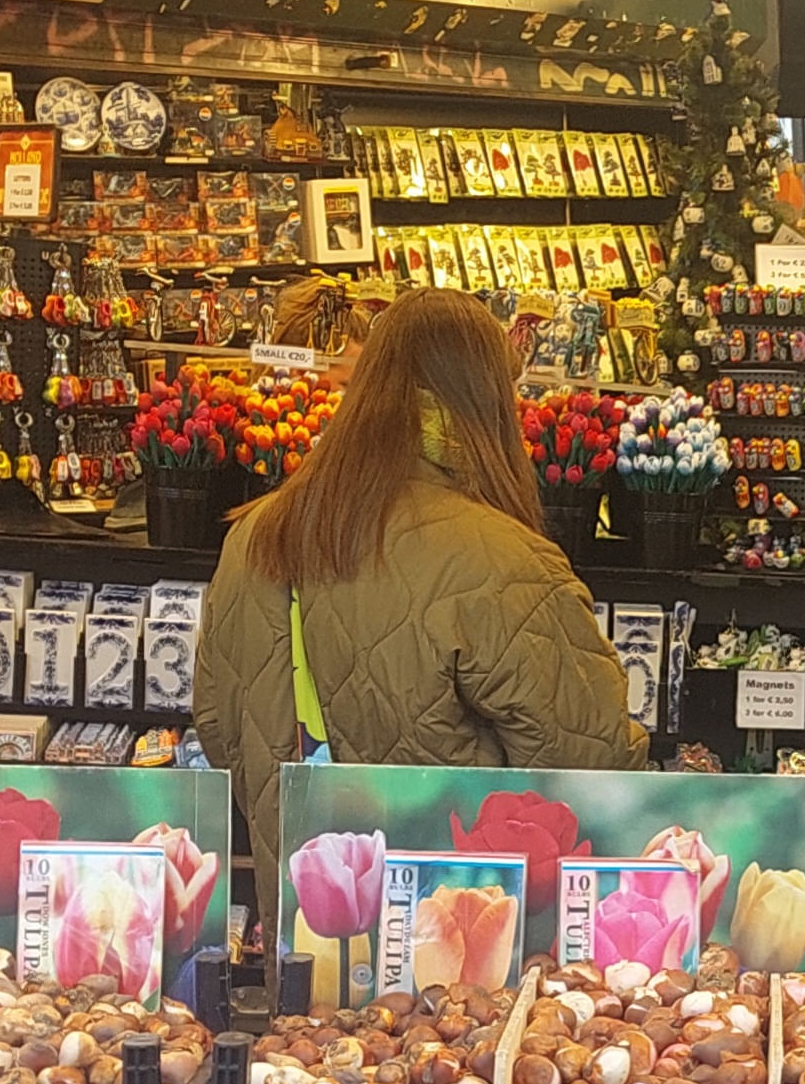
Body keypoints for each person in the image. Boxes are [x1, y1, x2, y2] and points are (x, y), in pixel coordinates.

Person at [194, 287, 643, 874]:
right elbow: (588, 767)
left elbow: (219, 725)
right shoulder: (506, 562)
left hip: (307, 927)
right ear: (488, 404)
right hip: (465, 925)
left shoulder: (253, 537)